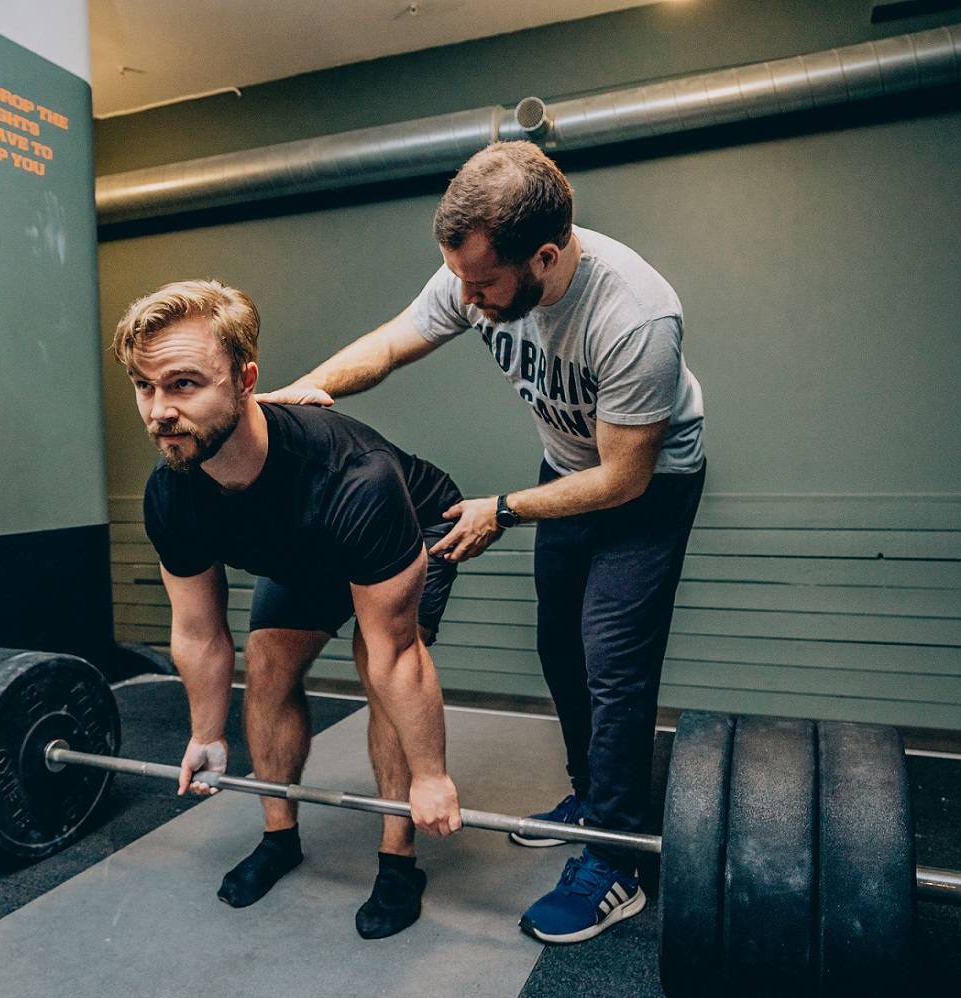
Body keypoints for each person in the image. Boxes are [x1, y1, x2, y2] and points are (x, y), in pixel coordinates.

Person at [259, 141, 706, 945]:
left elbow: (625, 478)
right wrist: (303, 395)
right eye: (458, 279)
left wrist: (502, 508)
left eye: (482, 284)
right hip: (566, 469)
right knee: (559, 644)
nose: (465, 297)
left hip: (644, 487)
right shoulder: (475, 269)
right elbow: (393, 343)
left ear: (544, 255)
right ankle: (591, 796)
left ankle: (617, 857)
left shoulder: (634, 313)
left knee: (612, 659)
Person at [112, 279, 465, 940]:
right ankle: (280, 835)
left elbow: (396, 654)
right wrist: (206, 734)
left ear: (246, 380)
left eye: (184, 384)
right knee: (269, 662)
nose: (158, 411)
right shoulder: (173, 491)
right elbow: (197, 629)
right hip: (304, 552)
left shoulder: (354, 478)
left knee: (374, 655)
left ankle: (398, 858)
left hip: (406, 527)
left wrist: (432, 775)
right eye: (144, 385)